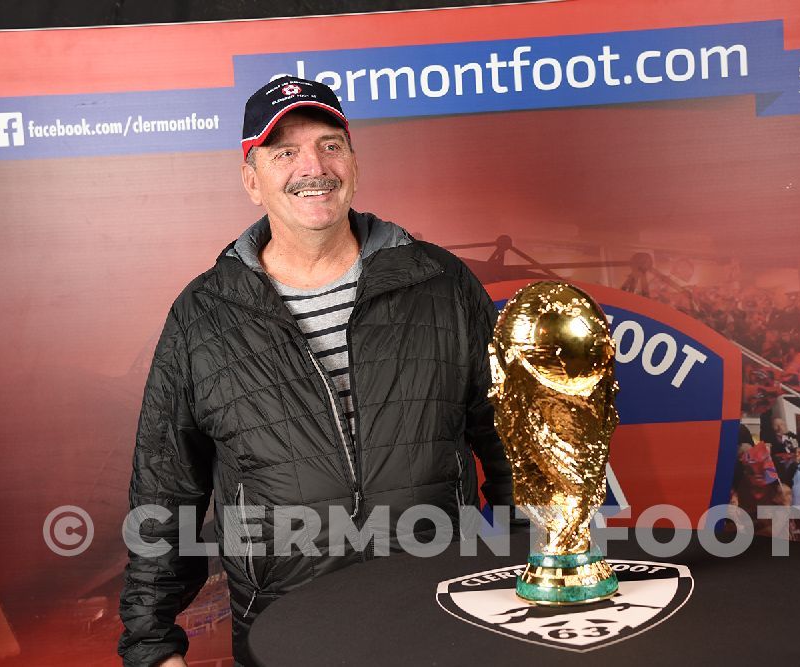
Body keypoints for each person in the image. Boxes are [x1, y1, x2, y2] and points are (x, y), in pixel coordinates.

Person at [117, 77, 514, 667]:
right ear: (251, 180)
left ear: (354, 163)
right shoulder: (204, 315)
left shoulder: (442, 284)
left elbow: (514, 448)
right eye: (285, 152)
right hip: (283, 632)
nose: (314, 167)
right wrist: (151, 644)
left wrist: (535, 574)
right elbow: (165, 486)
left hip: (440, 620)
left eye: (330, 146)